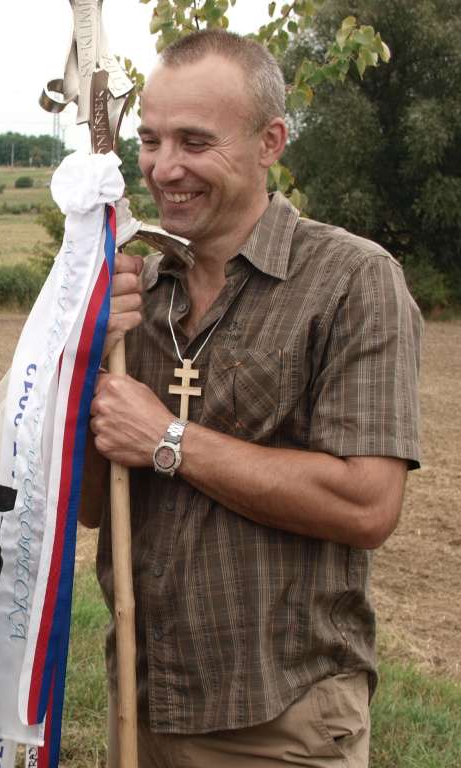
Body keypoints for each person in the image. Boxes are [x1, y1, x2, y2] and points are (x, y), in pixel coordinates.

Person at [82, 30, 422, 768]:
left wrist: (170, 440)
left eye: (195, 142)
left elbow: (367, 506)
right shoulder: (136, 292)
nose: (164, 168)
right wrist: (77, 356)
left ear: (270, 141)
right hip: (139, 704)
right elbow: (86, 505)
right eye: (151, 139)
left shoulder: (351, 281)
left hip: (282, 721)